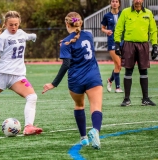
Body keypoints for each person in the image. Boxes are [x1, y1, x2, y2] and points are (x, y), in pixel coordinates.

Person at [42, 12, 103, 149]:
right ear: (80, 23)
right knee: (96, 106)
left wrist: (53, 84)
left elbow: (66, 65)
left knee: (79, 105)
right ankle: (95, 130)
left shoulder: (65, 43)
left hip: (76, 80)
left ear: (66, 24)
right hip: (93, 76)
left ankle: (83, 138)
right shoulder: (89, 35)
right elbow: (80, 42)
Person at [114, 0, 158, 106]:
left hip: (143, 45)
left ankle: (145, 99)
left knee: (144, 71)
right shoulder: (125, 12)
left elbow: (153, 30)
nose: (137, 1)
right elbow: (119, 28)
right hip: (129, 44)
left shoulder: (148, 13)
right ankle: (126, 99)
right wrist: (117, 44)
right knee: (128, 71)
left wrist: (155, 46)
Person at [101, 0, 123, 93]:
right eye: (113, 1)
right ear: (110, 3)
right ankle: (117, 87)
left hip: (122, 41)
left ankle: (110, 80)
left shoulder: (123, 14)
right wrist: (106, 31)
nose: (114, 3)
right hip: (111, 42)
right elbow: (102, 28)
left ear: (119, 4)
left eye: (116, 1)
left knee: (119, 66)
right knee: (118, 64)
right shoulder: (106, 16)